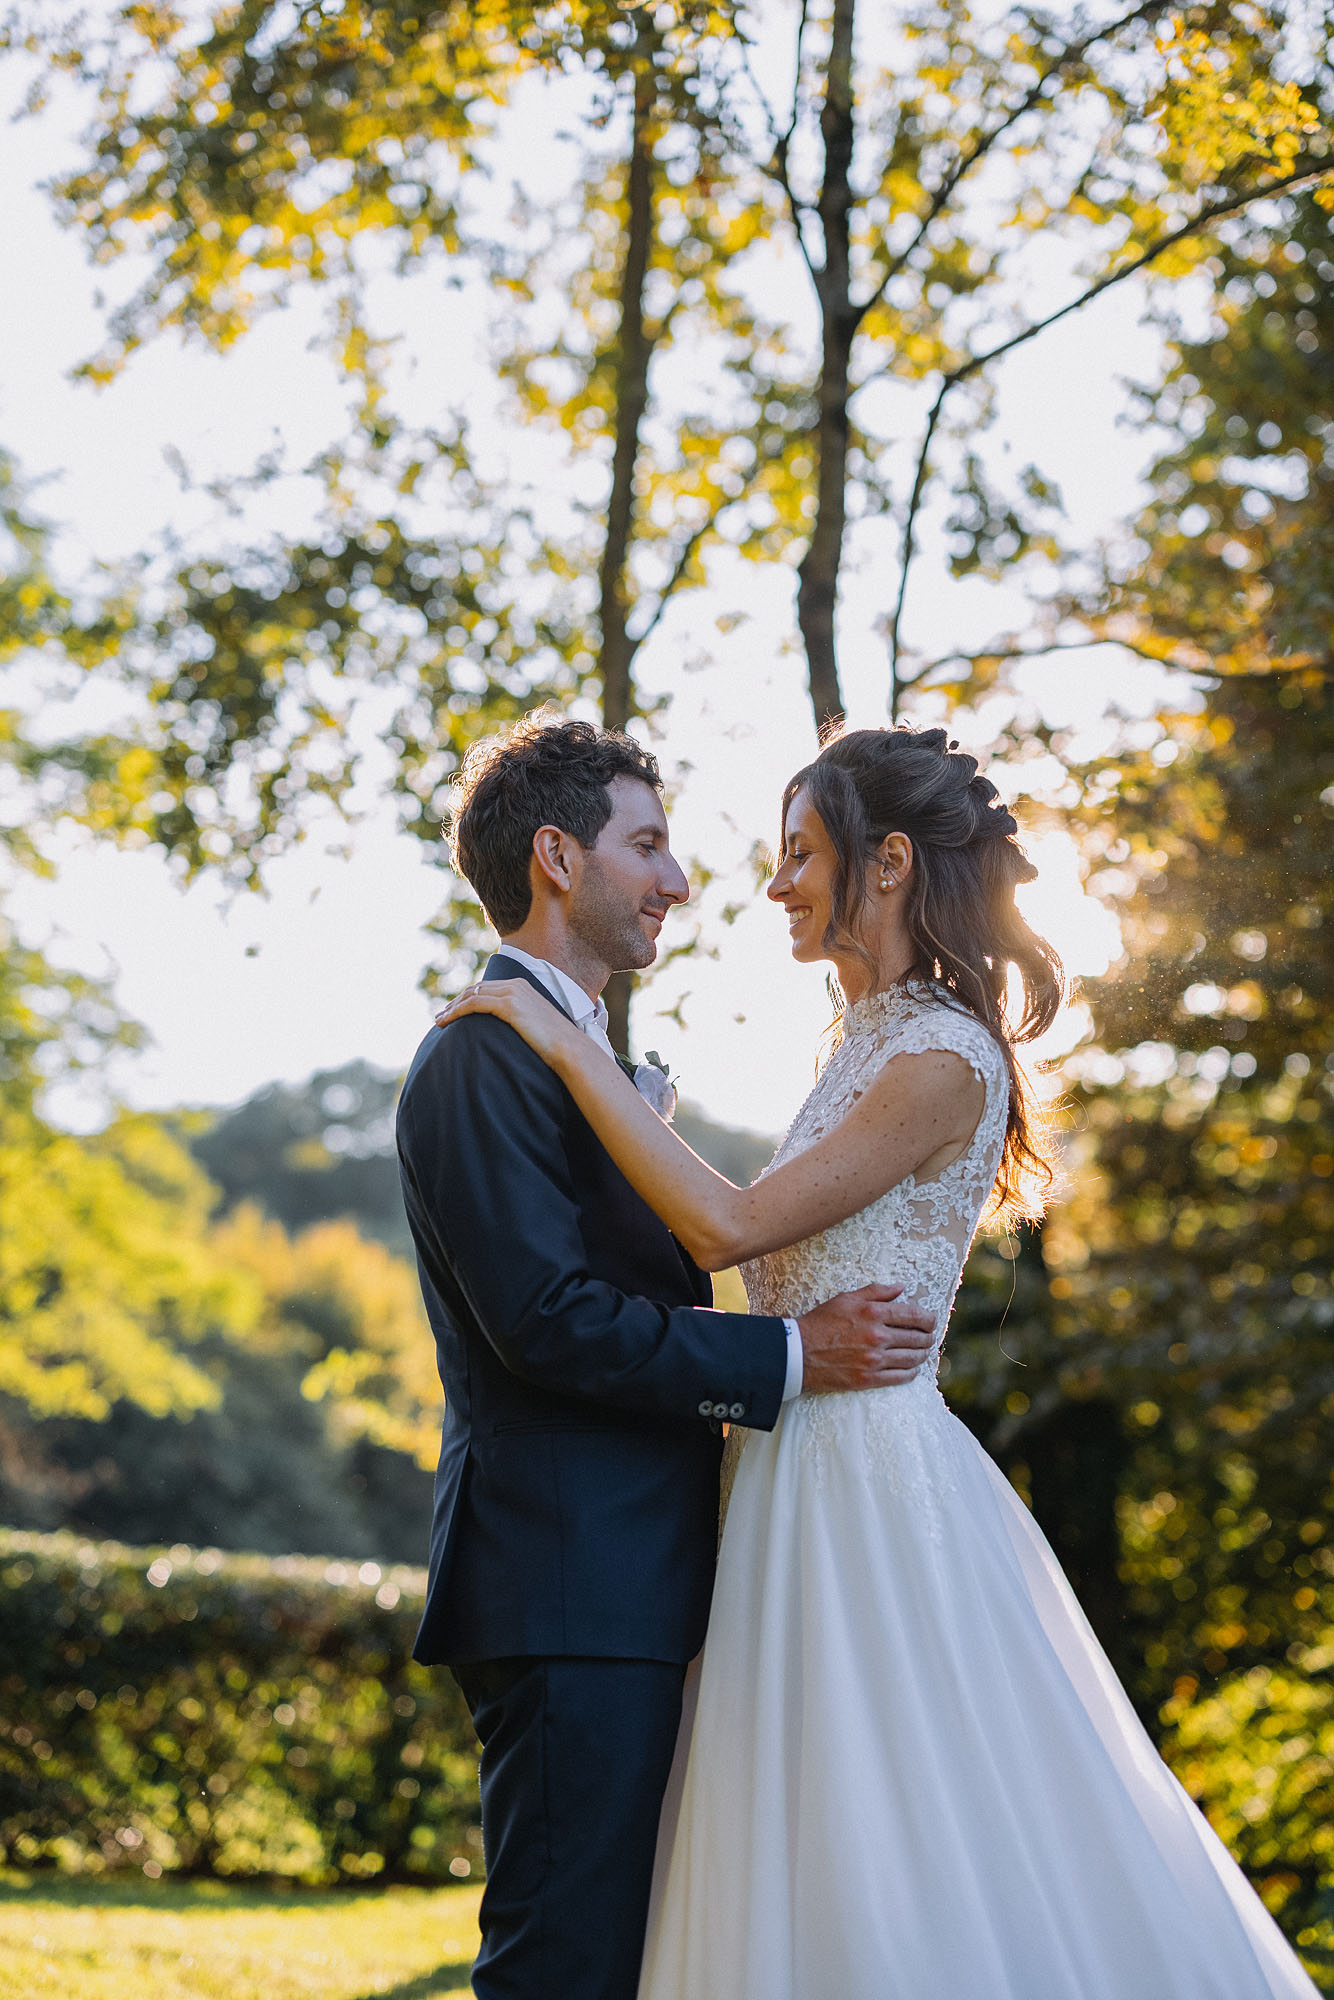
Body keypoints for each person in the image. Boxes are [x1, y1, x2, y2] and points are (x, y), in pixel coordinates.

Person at [438, 723, 1319, 2000]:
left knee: (890, 1825)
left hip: (863, 1479)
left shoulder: (941, 1057)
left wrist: (573, 1049)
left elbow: (732, 1226)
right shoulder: (853, 1040)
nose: (770, 882)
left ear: (889, 862)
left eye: (799, 853)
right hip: (774, 1481)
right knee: (776, 1835)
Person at [395, 716, 936, 2000]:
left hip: (643, 1575)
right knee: (564, 1960)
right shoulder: (480, 1057)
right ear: (555, 857)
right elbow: (547, 1321)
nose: (680, 881)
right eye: (647, 843)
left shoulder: (576, 1064)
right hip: (568, 1576)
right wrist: (789, 1355)